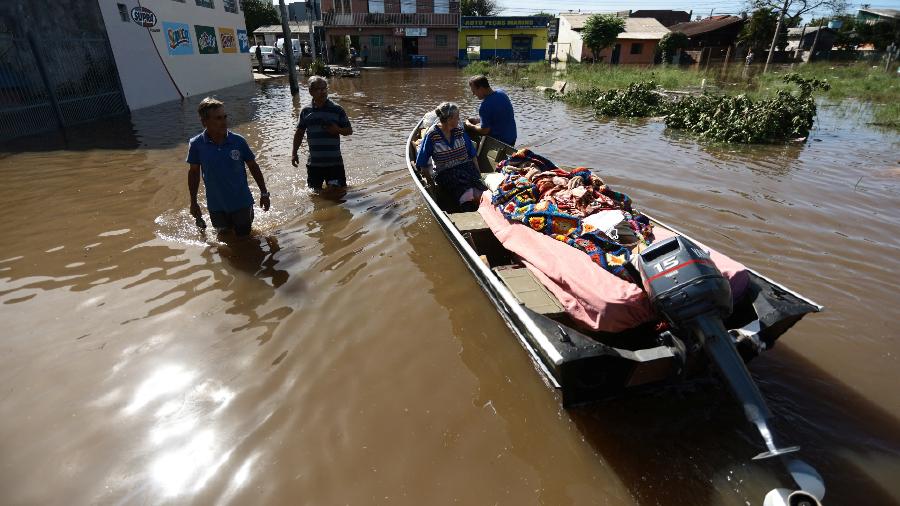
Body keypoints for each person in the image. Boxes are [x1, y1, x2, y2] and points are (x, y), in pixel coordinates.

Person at [187, 97, 270, 236]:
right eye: (218, 118)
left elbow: (253, 167)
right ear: (204, 122)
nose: (224, 121)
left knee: (245, 241)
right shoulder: (196, 145)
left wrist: (264, 193)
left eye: (225, 116)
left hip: (241, 202)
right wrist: (193, 202)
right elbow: (193, 173)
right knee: (224, 240)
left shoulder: (238, 141)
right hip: (216, 206)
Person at [416, 102, 486, 212]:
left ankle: (481, 203)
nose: (459, 119)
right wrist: (431, 185)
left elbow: (472, 154)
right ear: (449, 119)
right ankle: (468, 208)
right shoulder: (432, 135)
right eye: (457, 117)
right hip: (445, 172)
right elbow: (422, 163)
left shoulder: (459, 130)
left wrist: (478, 174)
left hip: (466, 167)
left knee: (480, 188)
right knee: (465, 190)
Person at [292, 76, 353, 190]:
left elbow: (349, 130)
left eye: (325, 88)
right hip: (314, 165)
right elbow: (299, 133)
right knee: (316, 197)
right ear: (311, 91)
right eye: (319, 89)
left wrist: (337, 130)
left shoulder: (337, 109)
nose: (323, 92)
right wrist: (294, 153)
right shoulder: (306, 111)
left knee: (338, 195)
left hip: (334, 164)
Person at [464, 74, 517, 146]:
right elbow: (499, 116)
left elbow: (484, 131)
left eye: (474, 91)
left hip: (501, 142)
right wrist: (478, 120)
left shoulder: (484, 106)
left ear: (481, 88)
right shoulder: (502, 93)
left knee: (469, 131)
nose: (473, 94)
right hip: (512, 138)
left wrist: (470, 125)